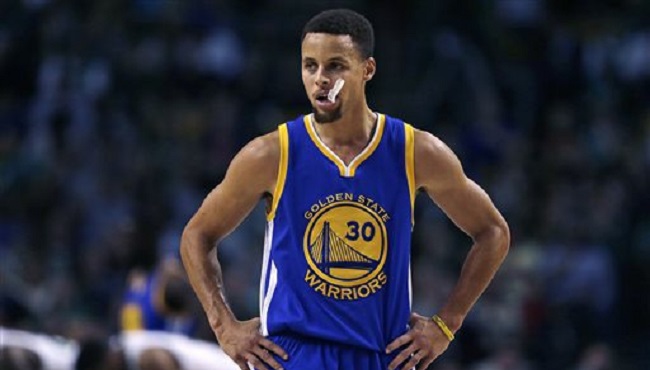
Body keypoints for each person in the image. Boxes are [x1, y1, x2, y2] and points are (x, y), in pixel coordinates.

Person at [180, 8, 510, 370]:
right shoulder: (271, 154)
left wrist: (446, 325)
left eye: (335, 66)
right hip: (293, 356)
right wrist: (224, 327)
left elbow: (492, 231)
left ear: (367, 70)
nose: (320, 79)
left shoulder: (415, 151)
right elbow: (197, 234)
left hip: (381, 356)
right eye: (310, 66)